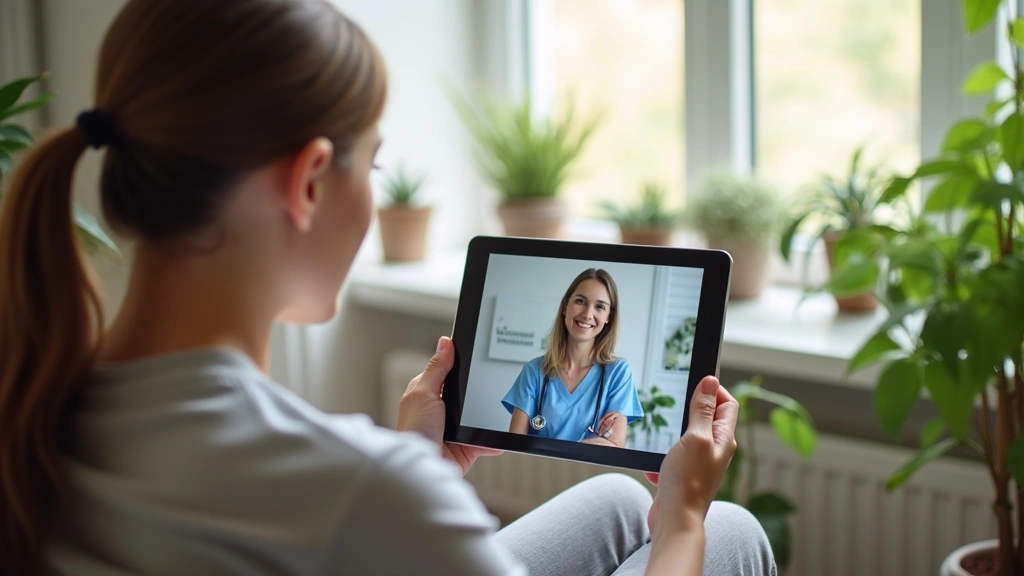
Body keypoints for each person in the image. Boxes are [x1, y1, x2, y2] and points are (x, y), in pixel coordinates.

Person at [0, 1, 776, 575]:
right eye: (370, 165)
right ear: (307, 182)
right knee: (725, 531)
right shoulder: (358, 491)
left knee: (613, 502)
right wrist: (680, 520)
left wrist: (424, 467)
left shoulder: (32, 405)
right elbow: (363, 515)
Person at [503, 269, 642, 447]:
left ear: (609, 317)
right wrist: (591, 443)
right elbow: (515, 445)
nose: (587, 314)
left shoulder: (618, 373)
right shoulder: (534, 371)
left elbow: (615, 446)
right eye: (580, 301)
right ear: (565, 306)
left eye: (600, 306)